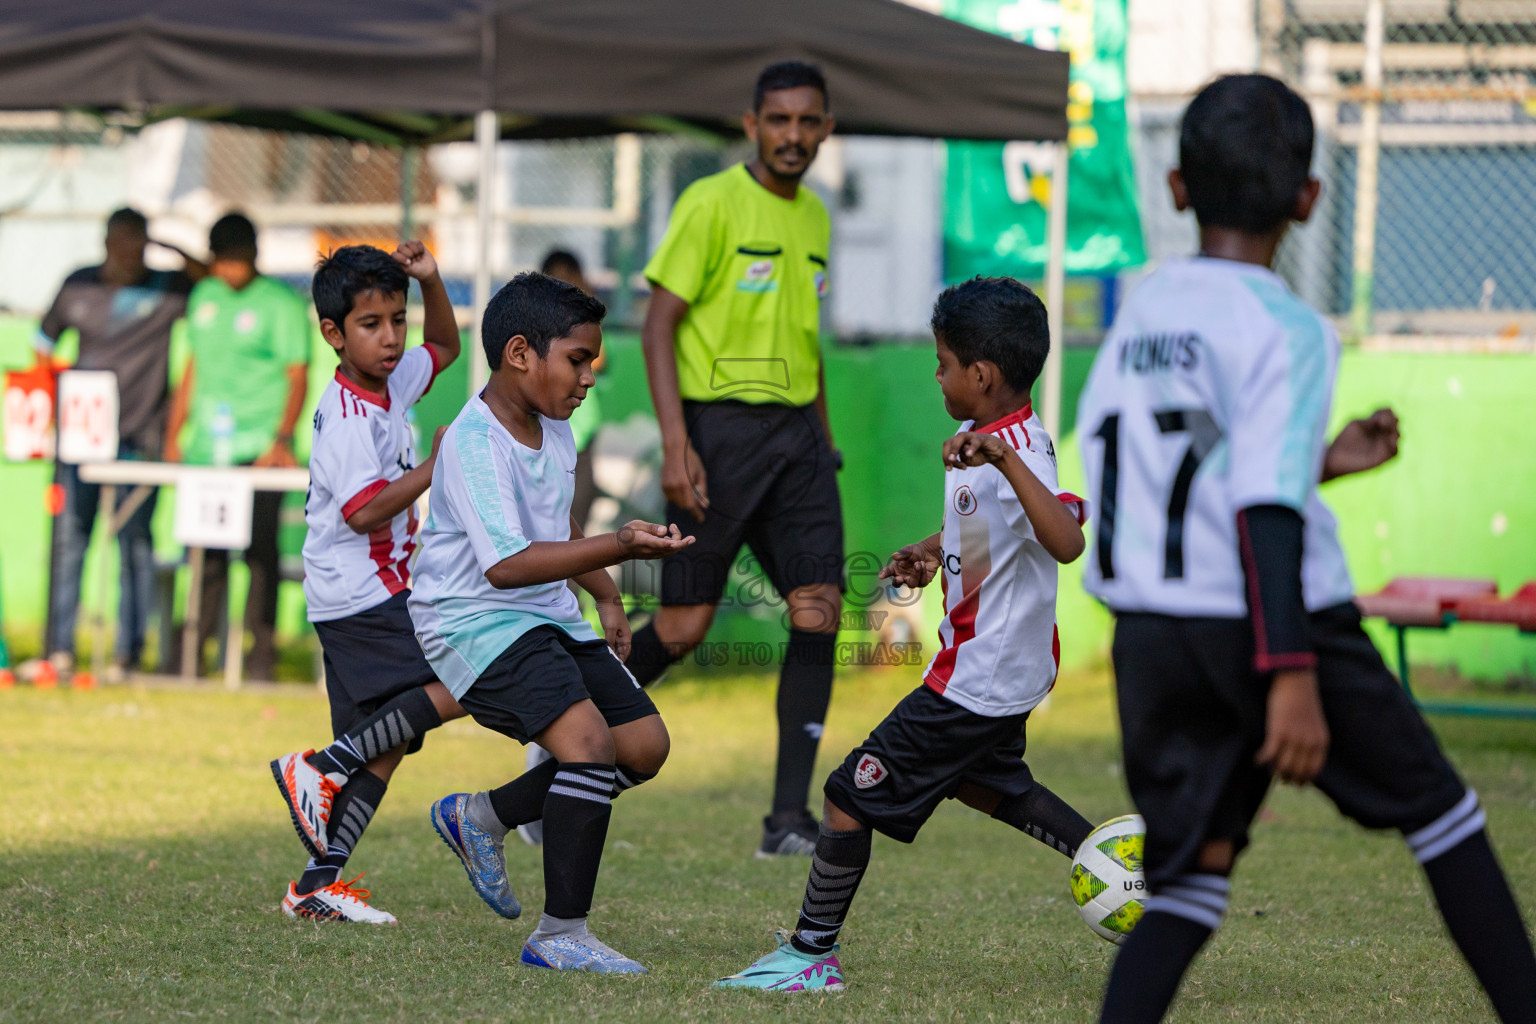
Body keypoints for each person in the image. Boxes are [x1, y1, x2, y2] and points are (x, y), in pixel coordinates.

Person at [1074, 75, 1536, 1024]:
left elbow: (1195, 469)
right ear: (1309, 200)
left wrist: (1320, 459)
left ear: (1174, 189)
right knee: (1445, 818)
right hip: (1267, 621)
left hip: (1152, 639)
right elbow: (1262, 510)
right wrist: (1288, 672)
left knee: (1190, 888)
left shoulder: (1143, 318)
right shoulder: (1287, 325)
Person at [716, 277, 1100, 992]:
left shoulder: (1014, 450)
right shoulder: (978, 440)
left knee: (845, 794)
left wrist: (1005, 463)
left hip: (974, 680)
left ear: (981, 376)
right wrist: (933, 552)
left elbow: (1066, 537)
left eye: (944, 362)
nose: (937, 374)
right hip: (1001, 676)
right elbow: (992, 533)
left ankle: (809, 957)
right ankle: (1111, 862)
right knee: (988, 784)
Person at [410, 272, 691, 973]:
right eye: (578, 359)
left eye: (592, 362)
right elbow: (504, 564)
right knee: (587, 743)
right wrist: (621, 547)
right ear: (519, 354)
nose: (588, 377)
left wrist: (605, 594)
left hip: (543, 613)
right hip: (471, 619)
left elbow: (555, 525)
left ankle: (483, 816)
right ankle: (560, 934)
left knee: (644, 746)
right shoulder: (473, 443)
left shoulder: (556, 427)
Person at [635, 60, 843, 857]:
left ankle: (787, 821)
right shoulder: (711, 202)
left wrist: (823, 441)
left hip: (797, 441)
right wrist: (675, 439)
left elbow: (807, 341)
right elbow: (659, 324)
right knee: (684, 627)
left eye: (808, 121)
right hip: (714, 435)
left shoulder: (818, 218)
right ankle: (569, 735)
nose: (794, 135)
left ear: (826, 129)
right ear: (752, 124)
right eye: (779, 120)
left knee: (818, 610)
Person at [268, 241, 465, 924]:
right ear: (332, 333)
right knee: (467, 677)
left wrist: (432, 279)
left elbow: (445, 344)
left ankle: (316, 884)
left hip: (363, 592)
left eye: (396, 321)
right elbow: (360, 513)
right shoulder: (348, 417)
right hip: (366, 593)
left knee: (387, 744)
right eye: (370, 325)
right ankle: (317, 765)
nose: (391, 338)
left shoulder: (390, 381)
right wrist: (435, 467)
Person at [36, 207, 205, 683]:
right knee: (70, 541)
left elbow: (211, 280)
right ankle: (59, 648)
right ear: (105, 241)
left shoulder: (167, 287)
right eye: (120, 241)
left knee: (134, 544)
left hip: (141, 436)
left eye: (138, 243)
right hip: (80, 440)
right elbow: (42, 341)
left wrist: (172, 248)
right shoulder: (78, 283)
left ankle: (127, 653)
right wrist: (53, 398)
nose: (127, 252)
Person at [165, 212, 310, 680]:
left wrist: (281, 438)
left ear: (253, 255)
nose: (229, 270)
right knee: (204, 553)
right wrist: (175, 432)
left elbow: (297, 373)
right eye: (221, 261)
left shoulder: (280, 304)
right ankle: (194, 654)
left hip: (258, 448)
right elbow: (193, 367)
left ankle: (260, 654)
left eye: (237, 260)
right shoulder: (204, 296)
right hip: (208, 449)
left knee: (259, 551)